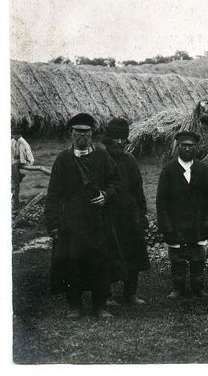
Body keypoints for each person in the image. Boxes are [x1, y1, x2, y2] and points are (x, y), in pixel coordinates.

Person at [45, 112, 124, 318]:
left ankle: (100, 306)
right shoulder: (63, 159)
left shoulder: (102, 156)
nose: (82, 136)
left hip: (98, 220)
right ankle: (74, 306)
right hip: (71, 221)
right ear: (71, 134)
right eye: (78, 132)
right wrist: (53, 225)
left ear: (92, 134)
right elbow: (53, 195)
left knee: (99, 261)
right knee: (72, 263)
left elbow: (116, 182)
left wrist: (106, 195)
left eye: (86, 132)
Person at [156, 130, 208, 299]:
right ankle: (178, 288)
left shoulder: (203, 169)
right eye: (184, 145)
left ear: (196, 148)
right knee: (177, 258)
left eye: (191, 146)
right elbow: (161, 201)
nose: (188, 149)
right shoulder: (168, 171)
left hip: (198, 224)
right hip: (176, 225)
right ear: (178, 147)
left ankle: (199, 288)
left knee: (198, 257)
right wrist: (166, 225)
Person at [103, 118, 150, 305]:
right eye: (116, 139)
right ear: (108, 140)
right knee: (108, 254)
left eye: (123, 139)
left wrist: (142, 211)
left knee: (133, 253)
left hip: (129, 215)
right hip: (108, 214)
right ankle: (106, 295)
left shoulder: (129, 160)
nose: (120, 143)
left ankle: (130, 293)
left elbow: (138, 188)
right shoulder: (101, 158)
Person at [11, 123, 35, 211]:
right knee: (13, 172)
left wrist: (30, 162)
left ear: (19, 134)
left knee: (15, 180)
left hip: (22, 161)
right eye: (12, 134)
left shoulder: (23, 142)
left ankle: (15, 203)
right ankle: (18, 176)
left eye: (15, 134)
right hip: (15, 160)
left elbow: (29, 153)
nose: (13, 135)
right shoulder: (12, 141)